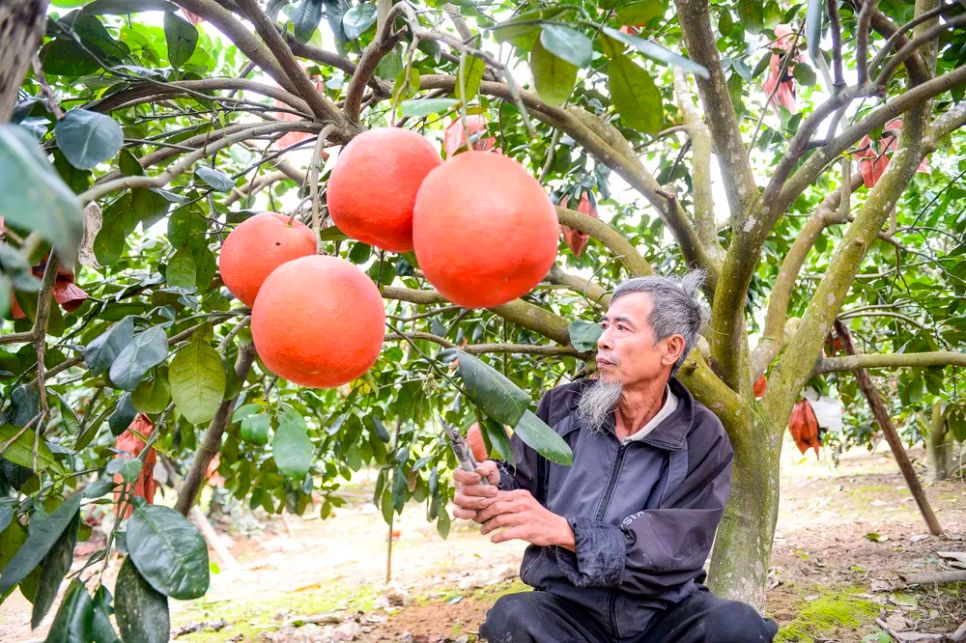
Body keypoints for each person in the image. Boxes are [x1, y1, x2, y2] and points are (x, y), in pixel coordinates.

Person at [453, 273, 779, 642]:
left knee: (736, 626)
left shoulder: (702, 436)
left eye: (622, 328)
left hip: (663, 614)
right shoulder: (562, 408)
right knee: (511, 618)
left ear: (670, 349)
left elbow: (671, 548)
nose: (603, 340)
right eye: (604, 325)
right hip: (568, 610)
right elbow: (522, 483)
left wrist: (568, 533)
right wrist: (490, 487)